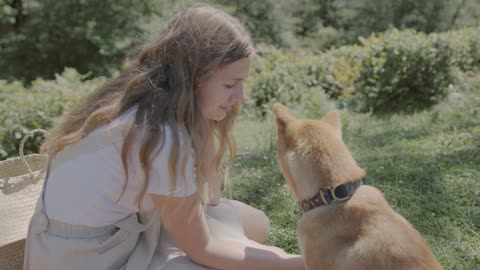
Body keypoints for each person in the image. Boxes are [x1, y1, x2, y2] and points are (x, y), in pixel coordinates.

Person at [23, 4, 305, 270]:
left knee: (256, 224)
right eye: (230, 84)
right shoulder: (161, 135)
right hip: (84, 258)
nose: (241, 96)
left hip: (118, 230)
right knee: (231, 252)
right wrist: (302, 264)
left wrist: (205, 122)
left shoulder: (147, 96)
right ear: (193, 77)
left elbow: (212, 199)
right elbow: (203, 248)